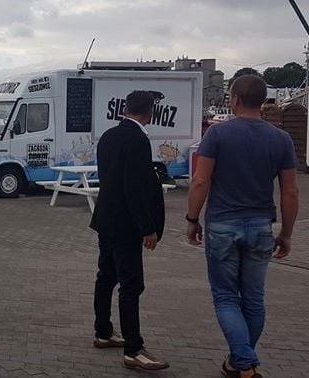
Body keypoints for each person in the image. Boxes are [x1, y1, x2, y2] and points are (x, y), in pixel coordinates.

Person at [186, 75, 299, 378]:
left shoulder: (218, 135)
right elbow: (290, 191)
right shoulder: (281, 139)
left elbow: (200, 180)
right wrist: (286, 234)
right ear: (262, 101)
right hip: (262, 225)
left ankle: (244, 362)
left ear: (234, 99)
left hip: (222, 224)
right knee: (253, 298)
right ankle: (239, 362)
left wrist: (192, 219)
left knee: (225, 296)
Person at [90, 90, 169, 370]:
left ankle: (103, 331)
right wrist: (147, 227)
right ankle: (134, 349)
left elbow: (111, 179)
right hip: (126, 225)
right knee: (131, 284)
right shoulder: (137, 139)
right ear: (150, 113)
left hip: (105, 219)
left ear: (125, 108)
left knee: (106, 275)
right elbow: (133, 187)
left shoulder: (109, 136)